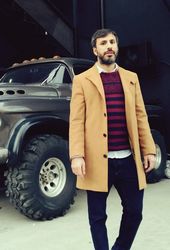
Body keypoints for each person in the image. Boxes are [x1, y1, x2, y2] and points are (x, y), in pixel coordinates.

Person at [69, 29, 156, 250]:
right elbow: (77, 120)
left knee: (135, 212)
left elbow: (140, 116)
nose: (109, 46)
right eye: (103, 43)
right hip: (98, 161)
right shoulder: (82, 80)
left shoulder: (131, 78)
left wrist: (149, 150)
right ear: (95, 50)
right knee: (97, 217)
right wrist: (77, 155)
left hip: (128, 159)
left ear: (116, 47)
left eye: (112, 42)